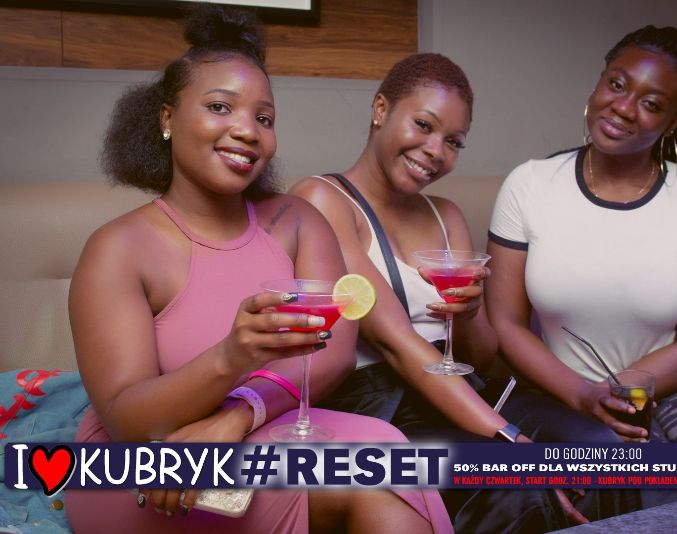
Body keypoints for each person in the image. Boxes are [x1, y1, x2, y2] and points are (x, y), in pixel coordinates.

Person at [64, 6, 451, 533]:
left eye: (264, 119)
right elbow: (127, 420)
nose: (247, 130)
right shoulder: (117, 248)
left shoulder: (298, 221)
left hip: (258, 432)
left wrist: (237, 415)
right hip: (142, 466)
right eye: (220, 107)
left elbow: (334, 353)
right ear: (167, 119)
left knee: (385, 457)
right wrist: (230, 357)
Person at [291, 53, 640, 532]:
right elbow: (395, 343)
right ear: (380, 109)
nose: (436, 150)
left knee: (601, 453)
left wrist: (470, 313)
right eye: (423, 125)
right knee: (512, 480)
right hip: (385, 407)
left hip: (464, 393)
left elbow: (481, 357)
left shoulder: (446, 215)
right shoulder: (322, 200)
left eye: (453, 141)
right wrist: (510, 438)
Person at [486, 25, 677, 445]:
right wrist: (586, 396)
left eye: (651, 104)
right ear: (598, 84)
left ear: (673, 122)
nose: (623, 107)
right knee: (621, 463)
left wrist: (619, 392)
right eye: (616, 85)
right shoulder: (529, 184)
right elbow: (506, 324)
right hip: (565, 391)